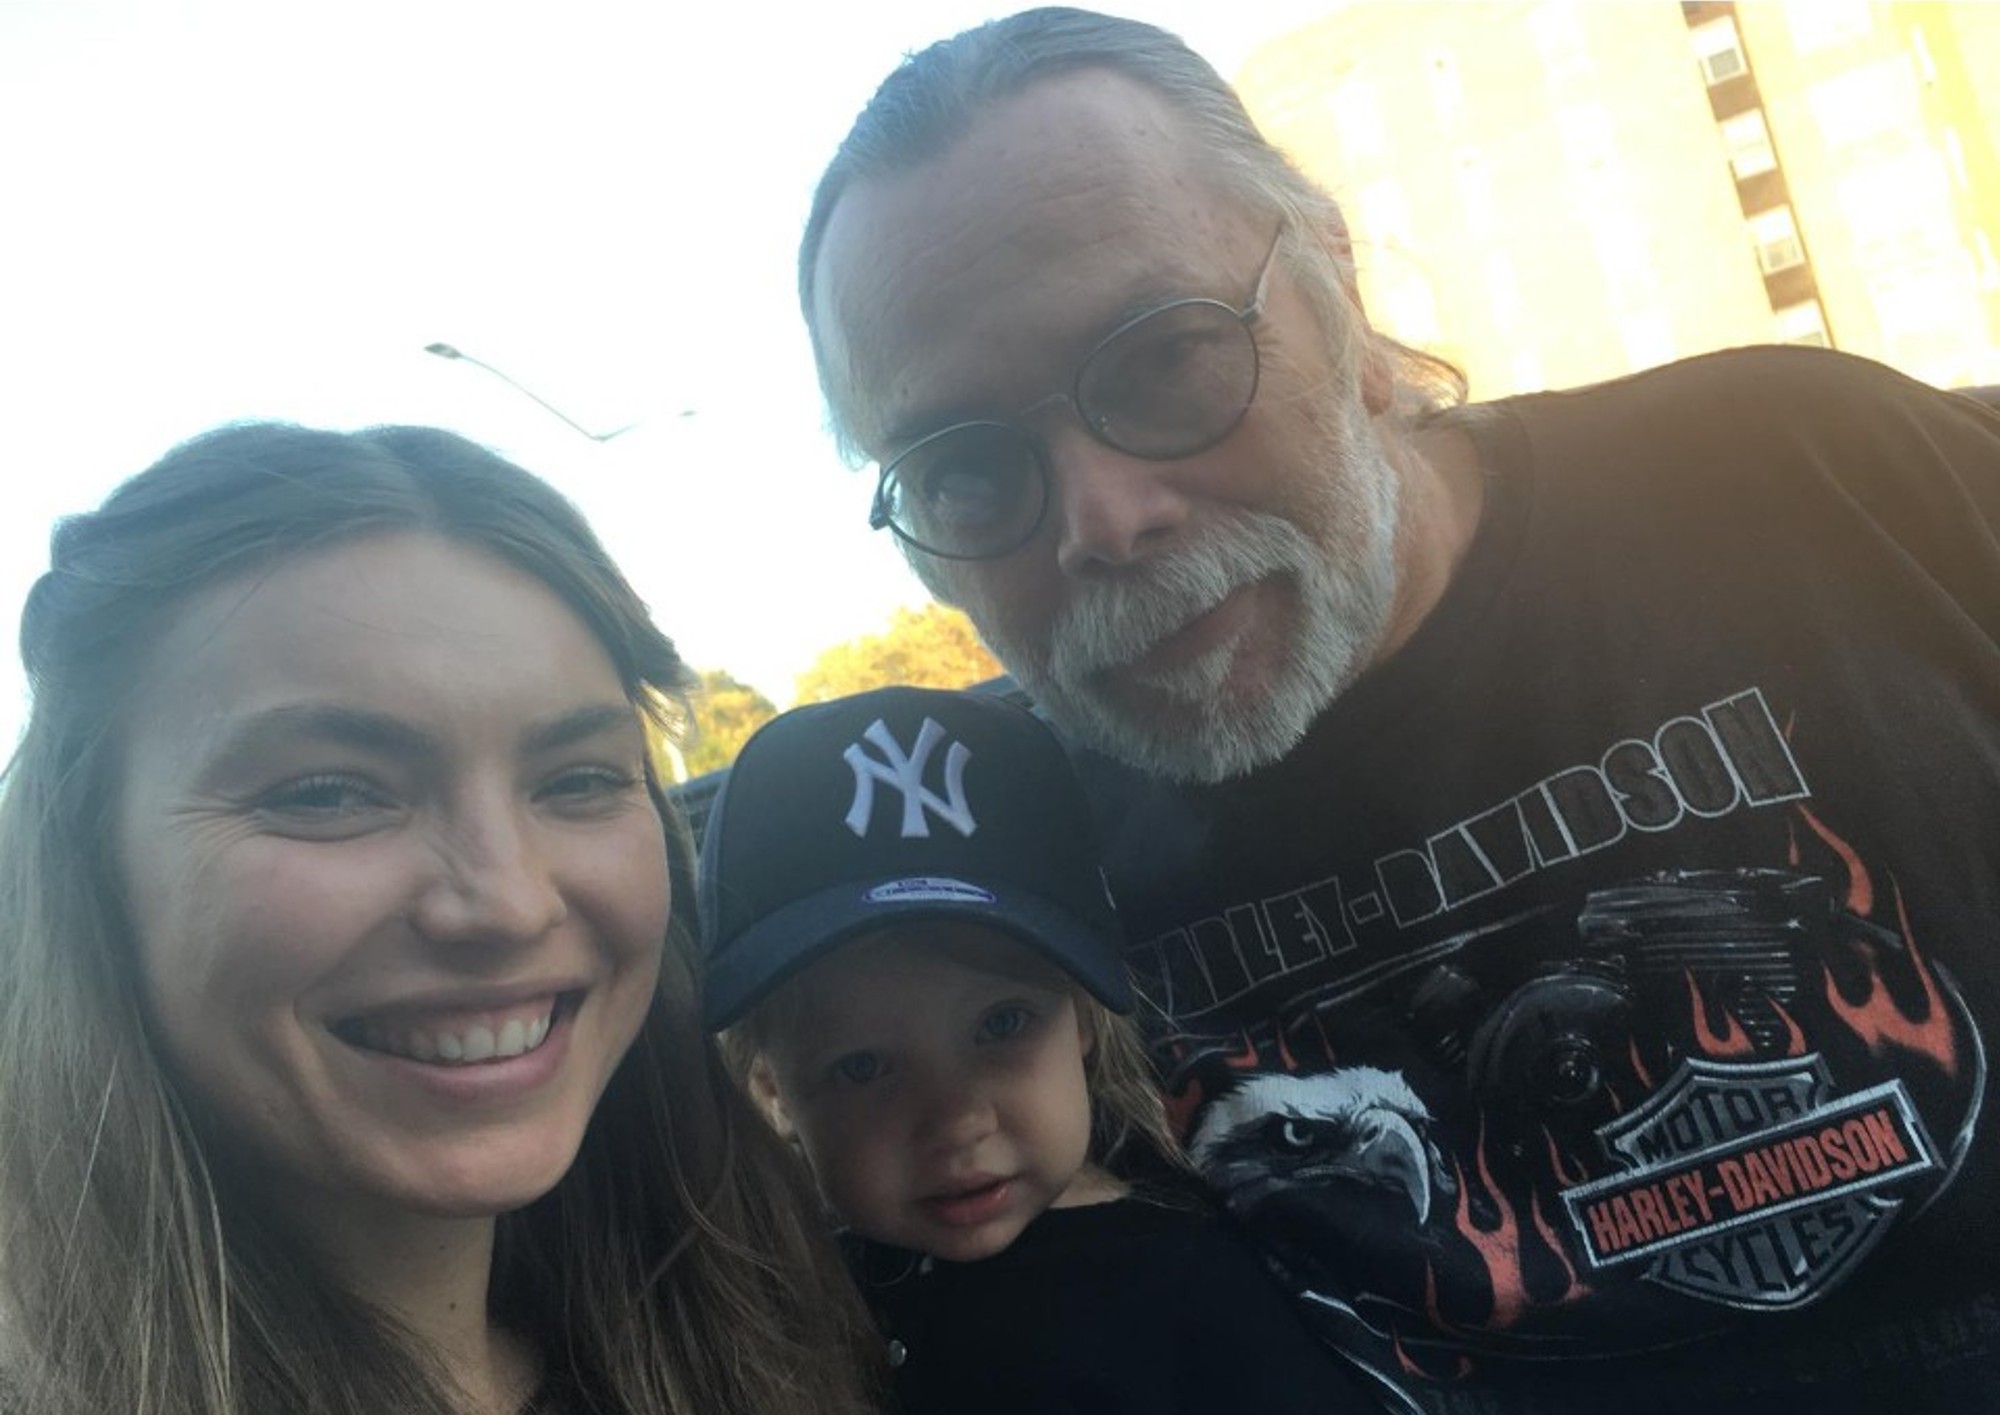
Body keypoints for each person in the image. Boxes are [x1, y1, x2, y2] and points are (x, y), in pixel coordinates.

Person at [795, 8, 2000, 1414]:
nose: (1104, 520)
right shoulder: (1005, 857)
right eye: (963, 470)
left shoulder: (1814, 474)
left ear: (1337, 291)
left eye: (1164, 356)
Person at [0, 423, 884, 1415]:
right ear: (87, 863)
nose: (508, 901)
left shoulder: (786, 1305)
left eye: (580, 777)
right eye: (329, 793)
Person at [698, 685, 1384, 1414]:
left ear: (1084, 1014)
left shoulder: (1185, 1288)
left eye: (1002, 1024)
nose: (958, 1120)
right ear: (776, 1094)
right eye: (863, 1067)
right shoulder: (803, 1292)